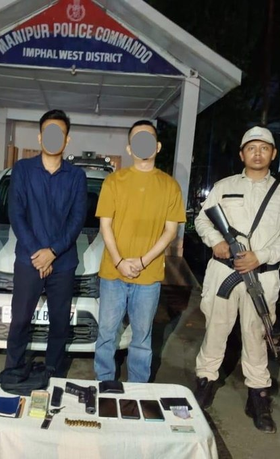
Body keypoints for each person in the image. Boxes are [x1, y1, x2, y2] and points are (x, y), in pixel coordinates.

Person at [194, 126, 280, 433]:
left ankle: (258, 396)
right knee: (215, 329)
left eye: (264, 148)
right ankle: (205, 382)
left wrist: (261, 256)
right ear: (242, 154)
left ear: (273, 153)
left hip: (262, 275)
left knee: (256, 335)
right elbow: (202, 219)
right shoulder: (224, 186)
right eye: (251, 148)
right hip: (224, 272)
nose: (257, 153)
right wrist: (217, 241)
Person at [94, 120, 186, 383]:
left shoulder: (170, 186)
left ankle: (138, 388)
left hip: (149, 276)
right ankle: (104, 382)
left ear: (157, 146)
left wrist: (143, 261)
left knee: (142, 338)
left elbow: (170, 231)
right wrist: (119, 261)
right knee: (107, 333)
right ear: (129, 148)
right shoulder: (114, 181)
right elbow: (105, 225)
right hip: (113, 273)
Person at [3, 109, 87, 378]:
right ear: (40, 137)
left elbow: (77, 219)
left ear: (67, 139)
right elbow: (16, 213)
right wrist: (38, 253)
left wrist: (52, 252)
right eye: (48, 133)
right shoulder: (23, 170)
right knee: (20, 319)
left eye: (58, 133)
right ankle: (13, 370)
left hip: (63, 263)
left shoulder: (76, 176)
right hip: (29, 260)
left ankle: (53, 371)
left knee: (60, 322)